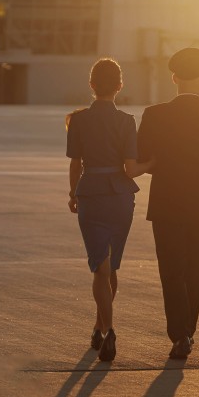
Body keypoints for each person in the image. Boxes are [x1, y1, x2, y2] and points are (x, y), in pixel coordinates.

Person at [137, 47, 199, 359]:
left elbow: (143, 159)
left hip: (166, 200)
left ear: (175, 78)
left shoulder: (154, 114)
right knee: (195, 268)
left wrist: (160, 163)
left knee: (170, 269)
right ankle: (188, 332)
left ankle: (179, 334)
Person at [66, 58, 148, 362]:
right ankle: (100, 328)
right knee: (110, 267)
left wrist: (73, 193)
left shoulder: (78, 120)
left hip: (92, 193)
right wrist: (154, 163)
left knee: (100, 266)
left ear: (91, 86)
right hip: (121, 197)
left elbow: (75, 162)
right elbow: (132, 167)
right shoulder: (127, 121)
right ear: (120, 86)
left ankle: (107, 329)